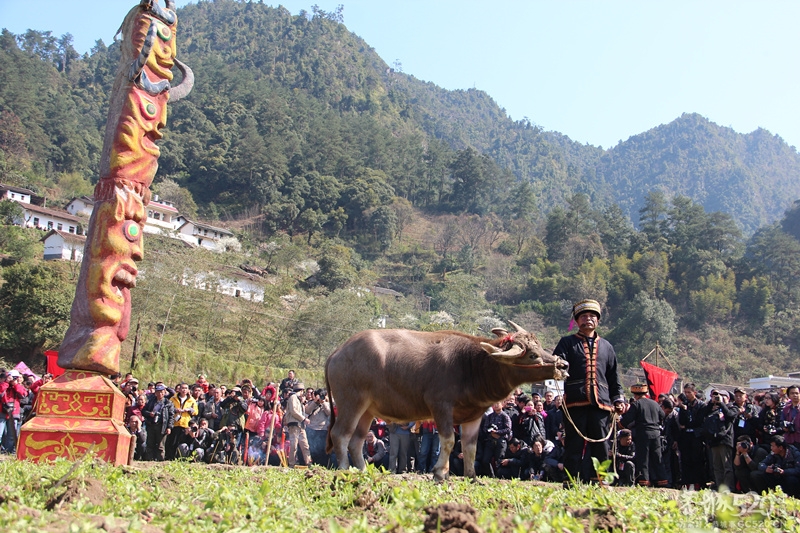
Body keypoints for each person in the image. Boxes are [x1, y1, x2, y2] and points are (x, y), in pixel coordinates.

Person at [553, 299, 625, 484]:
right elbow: (555, 369)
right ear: (577, 321)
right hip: (574, 402)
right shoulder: (566, 343)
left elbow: (613, 377)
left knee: (602, 445)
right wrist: (557, 393)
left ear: (598, 321)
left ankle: (603, 482)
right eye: (583, 316)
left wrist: (618, 399)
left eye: (592, 316)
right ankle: (570, 481)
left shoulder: (607, 347)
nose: (588, 319)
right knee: (573, 445)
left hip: (601, 403)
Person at [621, 384, 667, 487]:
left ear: (635, 394)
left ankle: (644, 481)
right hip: (656, 433)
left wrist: (619, 424)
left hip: (643, 434)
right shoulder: (654, 403)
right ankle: (663, 480)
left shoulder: (636, 404)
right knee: (657, 457)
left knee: (643, 458)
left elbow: (628, 419)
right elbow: (663, 415)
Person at [700, 389, 738, 490]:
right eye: (717, 396)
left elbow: (730, 415)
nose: (719, 397)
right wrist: (711, 403)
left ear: (728, 398)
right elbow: (701, 415)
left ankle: (728, 487)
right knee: (716, 467)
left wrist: (721, 403)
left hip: (725, 440)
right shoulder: (713, 408)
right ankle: (720, 486)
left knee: (726, 466)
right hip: (714, 440)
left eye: (722, 396)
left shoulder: (732, 407)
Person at [678, 383, 707, 490]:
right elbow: (681, 421)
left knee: (697, 460)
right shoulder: (684, 405)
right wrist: (684, 411)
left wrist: (688, 424)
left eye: (689, 392)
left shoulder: (701, 405)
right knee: (686, 460)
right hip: (686, 436)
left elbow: (699, 421)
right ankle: (687, 483)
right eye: (685, 392)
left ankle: (698, 483)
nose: (687, 395)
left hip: (696, 435)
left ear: (694, 392)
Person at [142, 384, 175, 461]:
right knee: (150, 443)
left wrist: (169, 427)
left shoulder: (168, 403)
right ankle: (149, 459)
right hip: (151, 424)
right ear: (155, 393)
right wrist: (149, 414)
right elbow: (143, 411)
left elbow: (171, 416)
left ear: (164, 393)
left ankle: (160, 459)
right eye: (158, 392)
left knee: (160, 445)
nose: (160, 394)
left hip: (162, 425)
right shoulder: (151, 401)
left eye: (162, 392)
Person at [479, 402, 512, 477]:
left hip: (501, 441)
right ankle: (491, 475)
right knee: (485, 460)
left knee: (499, 461)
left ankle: (499, 476)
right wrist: (491, 433)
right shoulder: (489, 416)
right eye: (494, 404)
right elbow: (485, 428)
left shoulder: (505, 416)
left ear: (502, 405)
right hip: (490, 440)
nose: (496, 405)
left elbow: (508, 429)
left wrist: (497, 432)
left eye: (498, 403)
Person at [167, 383, 198, 460]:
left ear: (188, 390)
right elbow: (168, 408)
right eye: (182, 388)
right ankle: (170, 457)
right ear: (179, 389)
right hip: (175, 423)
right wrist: (175, 410)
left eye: (186, 388)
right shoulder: (173, 398)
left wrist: (188, 410)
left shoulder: (191, 400)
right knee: (172, 441)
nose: (184, 390)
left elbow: (196, 411)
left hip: (185, 423)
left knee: (182, 442)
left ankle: (181, 457)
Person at [283, 382, 311, 467]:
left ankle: (309, 463)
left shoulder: (298, 400)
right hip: (294, 425)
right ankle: (291, 464)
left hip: (300, 425)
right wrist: (303, 419)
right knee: (294, 445)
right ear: (301, 391)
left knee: (305, 445)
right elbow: (294, 411)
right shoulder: (293, 397)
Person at [304, 388, 331, 466]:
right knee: (312, 449)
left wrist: (324, 403)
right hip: (311, 428)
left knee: (322, 449)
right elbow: (307, 411)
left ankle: (323, 466)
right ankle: (312, 464)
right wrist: (315, 402)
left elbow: (329, 413)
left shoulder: (328, 404)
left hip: (323, 429)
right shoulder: (311, 403)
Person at [781, 385, 800, 452]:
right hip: (790, 439)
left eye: (797, 393)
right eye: (792, 393)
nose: (795, 395)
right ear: (788, 396)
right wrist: (784, 427)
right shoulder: (786, 409)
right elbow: (782, 421)